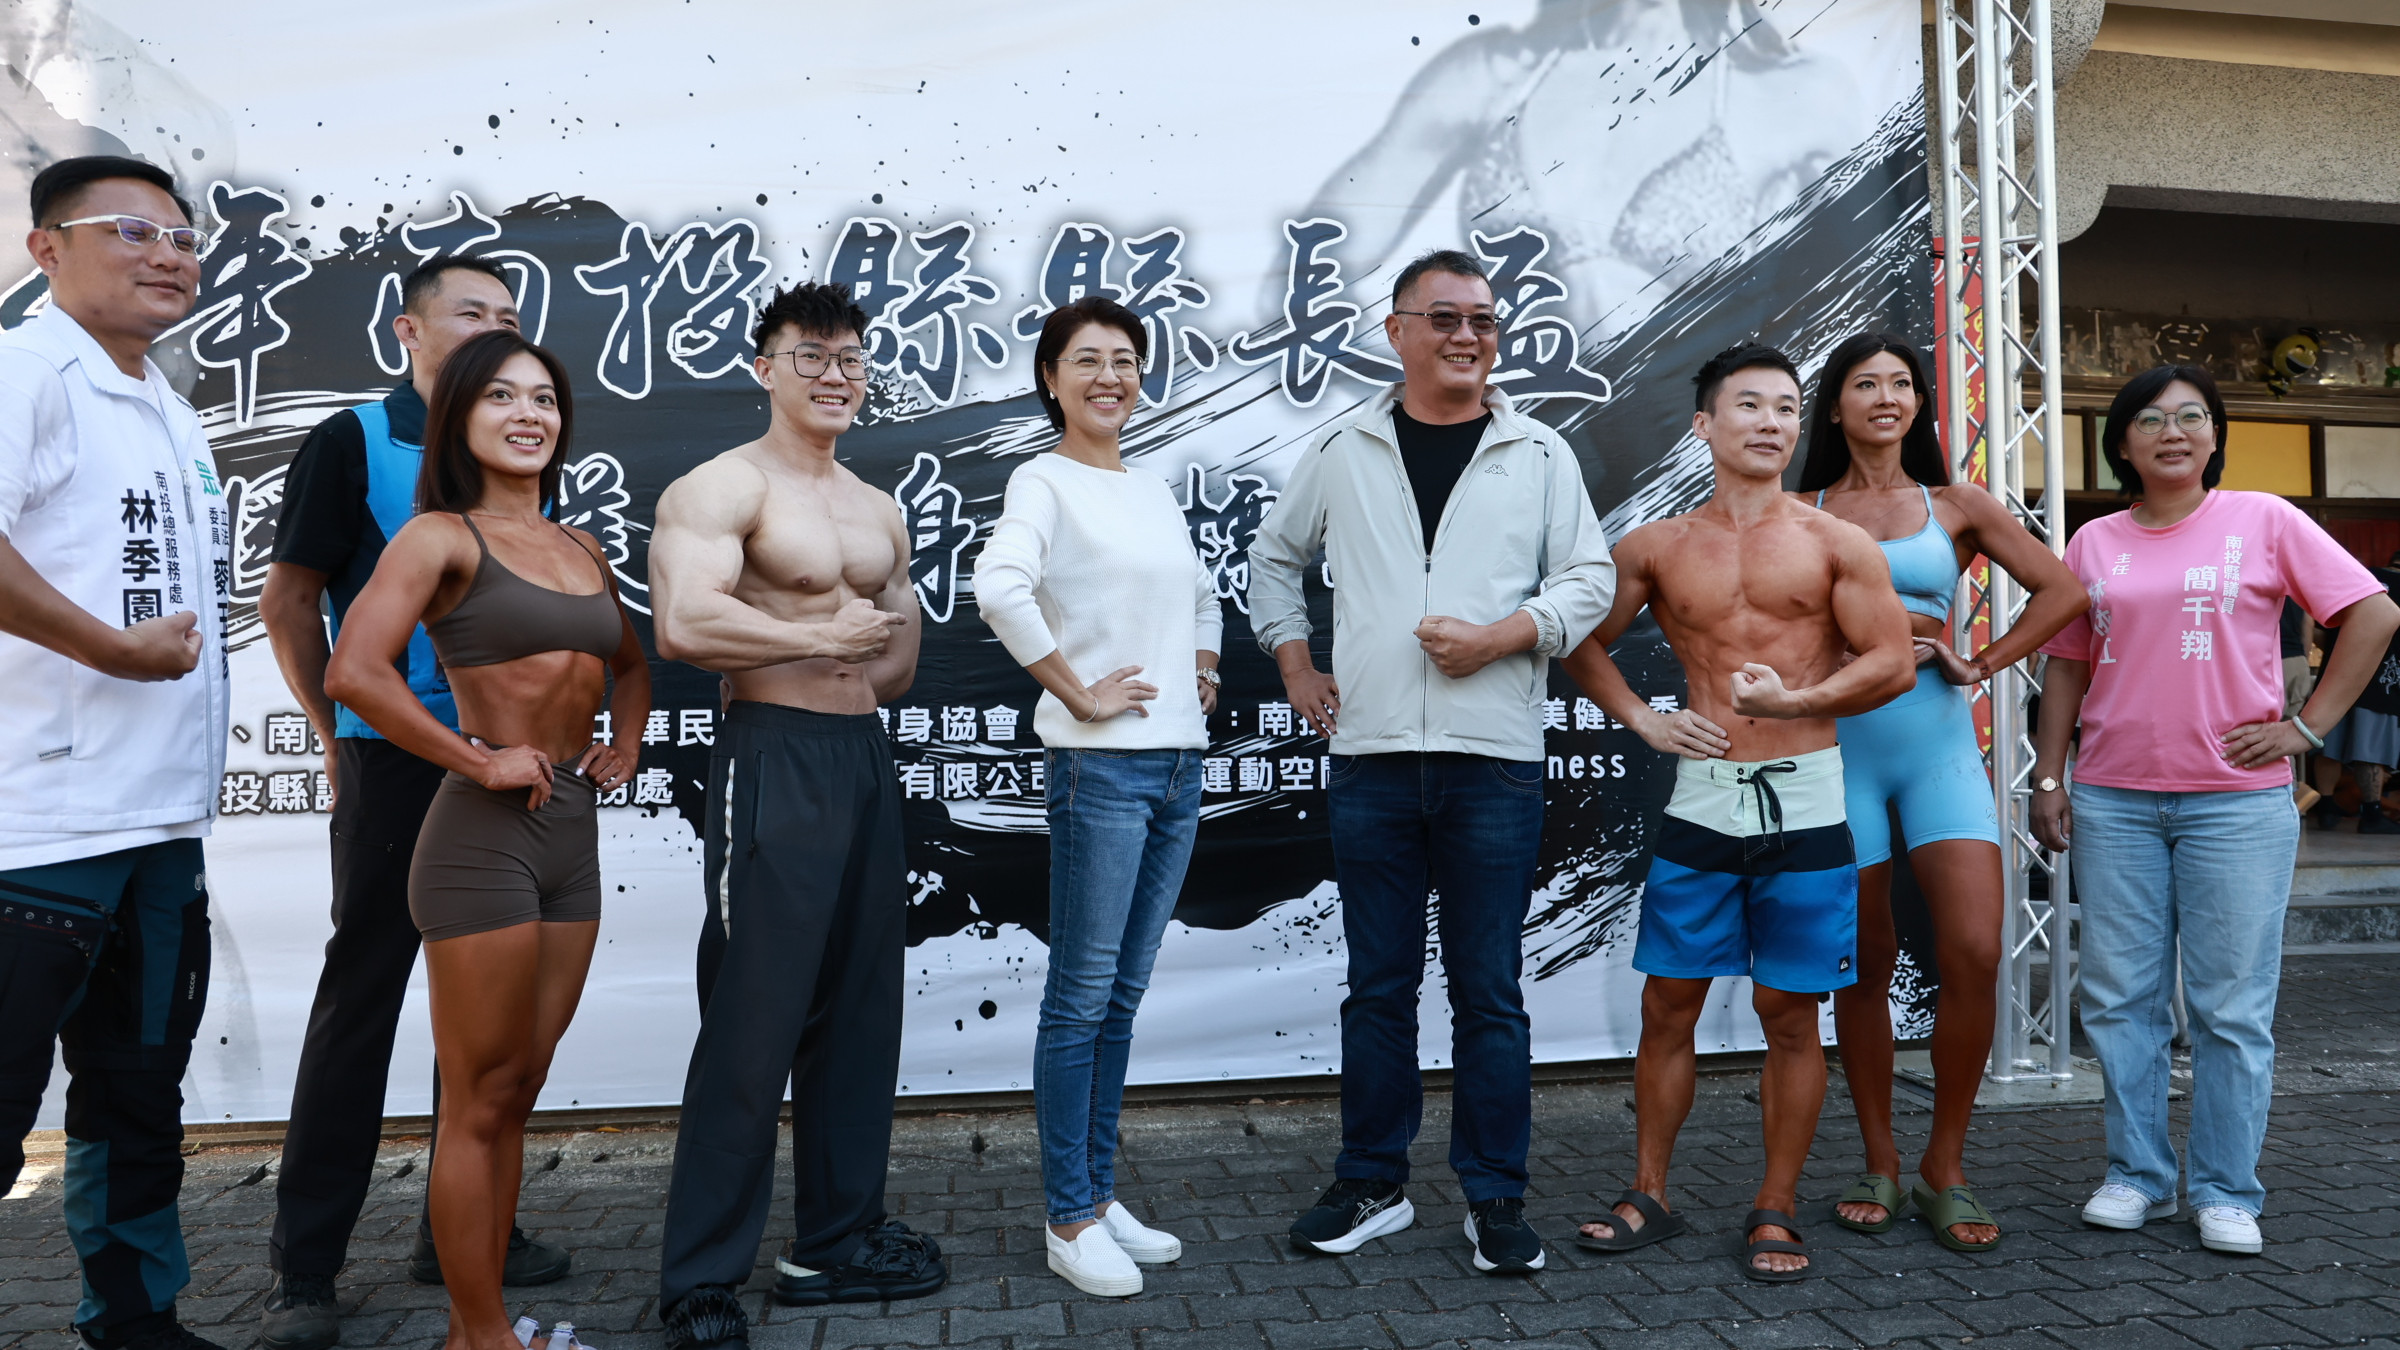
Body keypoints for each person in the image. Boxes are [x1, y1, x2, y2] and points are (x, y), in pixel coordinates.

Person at [1247, 249, 1614, 1276]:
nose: (1467, 336)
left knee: (1489, 990)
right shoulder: (1345, 447)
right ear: (1397, 331)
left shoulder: (1539, 451)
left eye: (1483, 321)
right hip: (1369, 757)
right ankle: (1372, 1181)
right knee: (1378, 986)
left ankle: (1495, 1196)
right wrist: (1294, 662)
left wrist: (1503, 637)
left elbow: (1589, 579)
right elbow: (1274, 558)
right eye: (1444, 318)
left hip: (1492, 761)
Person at [257, 255, 569, 1350]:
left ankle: (466, 1239)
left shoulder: (515, 448)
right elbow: (290, 601)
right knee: (363, 999)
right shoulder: (352, 441)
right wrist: (333, 732)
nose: (493, 331)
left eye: (509, 317)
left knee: (484, 1014)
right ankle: (306, 1269)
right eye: (469, 313)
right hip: (396, 763)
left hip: (507, 763)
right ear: (409, 330)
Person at [1560, 343, 1915, 1282]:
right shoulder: (1656, 546)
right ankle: (1650, 1193)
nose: (1770, 422)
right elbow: (1576, 640)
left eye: (1787, 407)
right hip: (1704, 802)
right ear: (1704, 425)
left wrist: (1798, 701)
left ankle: (1775, 1206)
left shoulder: (1837, 542)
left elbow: (1892, 662)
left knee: (1789, 1013)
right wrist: (1645, 719)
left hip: (1807, 797)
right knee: (1667, 1003)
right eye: (1749, 405)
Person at [324, 328, 648, 1350]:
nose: (527, 414)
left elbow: (631, 664)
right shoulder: (438, 536)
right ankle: (479, 1334)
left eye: (544, 398)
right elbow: (353, 672)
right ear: (460, 416)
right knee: (475, 1099)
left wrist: (626, 742)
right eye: (501, 396)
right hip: (481, 843)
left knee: (518, 1090)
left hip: (570, 839)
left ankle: (488, 1327)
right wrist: (476, 760)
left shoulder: (582, 546)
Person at [2032, 364, 2400, 1256]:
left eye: (2192, 416)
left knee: (2230, 1008)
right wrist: (2048, 777)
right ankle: (2138, 1176)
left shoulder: (2263, 518)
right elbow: (2069, 663)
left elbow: (2374, 613)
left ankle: (2228, 1188)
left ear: (2214, 436)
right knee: (2120, 1000)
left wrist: (2307, 728)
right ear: (2121, 444)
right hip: (2115, 797)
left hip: (2235, 804)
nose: (2174, 431)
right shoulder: (2094, 542)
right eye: (2151, 419)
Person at [647, 283, 936, 1350]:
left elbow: (893, 658)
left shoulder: (878, 506)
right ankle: (699, 1280)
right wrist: (819, 641)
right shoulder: (724, 486)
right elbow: (684, 622)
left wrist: (862, 649)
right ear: (764, 368)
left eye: (850, 356)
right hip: (771, 755)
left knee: (861, 1010)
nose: (834, 373)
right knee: (753, 1016)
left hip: (862, 757)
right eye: (810, 354)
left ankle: (836, 1240)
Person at [0, 153, 230, 1350]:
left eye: (182, 238)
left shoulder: (168, 406)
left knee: (136, 1099)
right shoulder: (25, 371)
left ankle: (137, 1321)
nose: (168, 255)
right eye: (133, 232)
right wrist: (107, 648)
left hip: (157, 827)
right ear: (47, 248)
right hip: (37, 829)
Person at [1793, 333, 2087, 1252]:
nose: (1885, 396)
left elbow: (2063, 591)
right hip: (1838, 749)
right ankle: (1880, 1158)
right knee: (1864, 958)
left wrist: (1981, 661)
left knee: (1973, 946)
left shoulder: (1956, 504)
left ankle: (1944, 1165)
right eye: (1864, 384)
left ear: (1920, 403)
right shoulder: (1798, 511)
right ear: (1834, 406)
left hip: (1938, 749)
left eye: (1901, 383)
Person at [973, 297, 1225, 1297]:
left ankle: (1099, 1190)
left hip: (1178, 767)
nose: (1108, 377)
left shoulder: (1151, 488)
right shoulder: (1043, 480)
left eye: (1124, 360)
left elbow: (1198, 592)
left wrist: (1203, 664)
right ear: (1051, 378)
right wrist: (1077, 692)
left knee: (1120, 995)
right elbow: (999, 587)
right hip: (1101, 770)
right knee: (1081, 998)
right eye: (1086, 360)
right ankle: (1068, 1216)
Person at [2307, 555, 2400, 834]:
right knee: (2369, 749)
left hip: (2335, 674)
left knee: (2328, 742)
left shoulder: (2356, 577)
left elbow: (2317, 628)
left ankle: (2326, 808)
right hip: (2380, 681)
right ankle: (2371, 814)